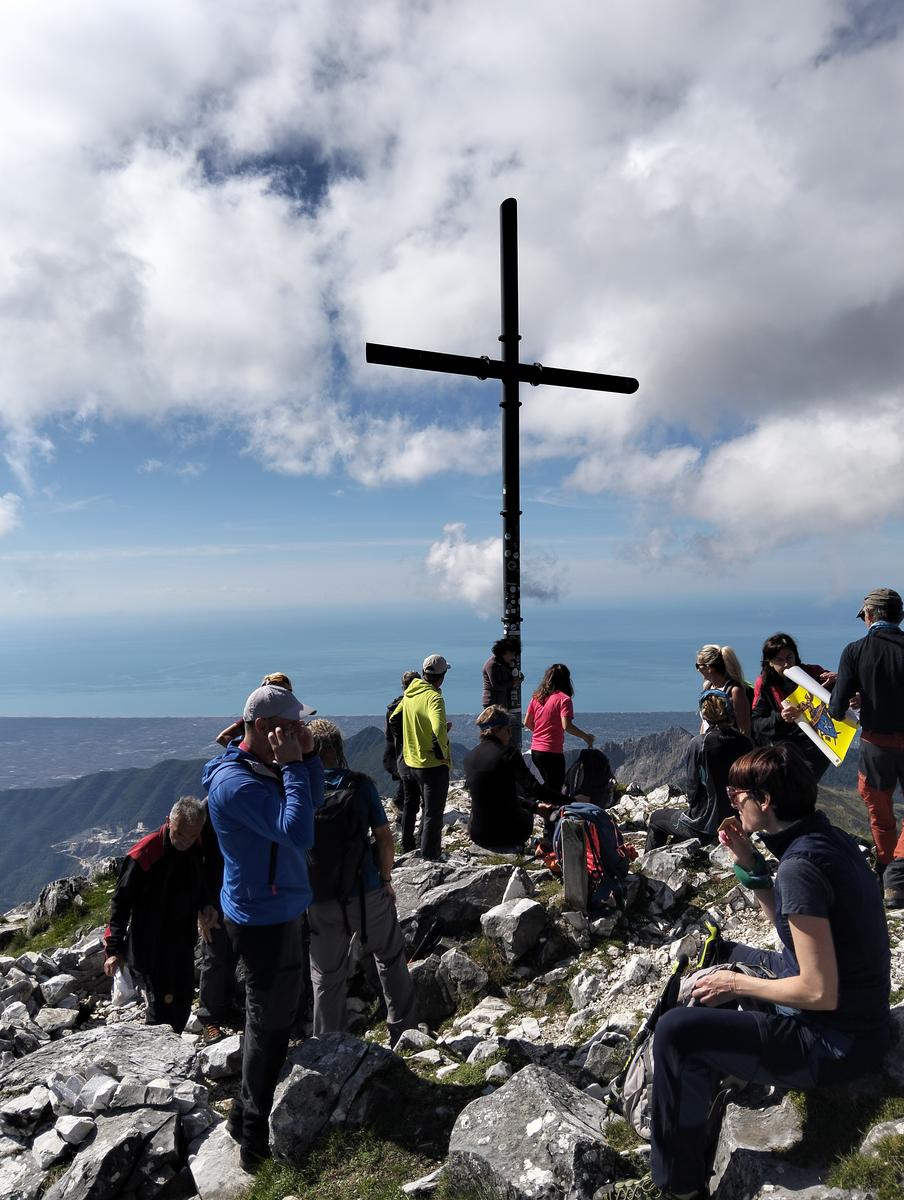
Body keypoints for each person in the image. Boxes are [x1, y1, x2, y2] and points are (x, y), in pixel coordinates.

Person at [636, 744, 891, 1200]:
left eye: (739, 793)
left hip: (837, 1042)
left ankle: (678, 1185)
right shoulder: (822, 840)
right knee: (723, 952)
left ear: (766, 801)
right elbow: (797, 940)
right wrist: (750, 862)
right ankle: (716, 1070)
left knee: (677, 1031)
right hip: (854, 1016)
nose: (731, 799)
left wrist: (734, 983)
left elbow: (818, 990)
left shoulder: (800, 867)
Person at [202, 680, 323, 1173]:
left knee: (270, 1020)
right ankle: (253, 1143)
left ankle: (239, 1118)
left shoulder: (263, 766)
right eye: (293, 725)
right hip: (262, 919)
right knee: (268, 1027)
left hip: (278, 908)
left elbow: (310, 803)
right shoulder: (238, 784)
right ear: (267, 729)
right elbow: (297, 832)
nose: (301, 728)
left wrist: (307, 759)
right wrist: (294, 765)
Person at [305, 719, 418, 1044]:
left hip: (319, 898)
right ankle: (405, 1035)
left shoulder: (298, 789)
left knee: (326, 977)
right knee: (390, 958)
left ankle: (328, 1046)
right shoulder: (360, 785)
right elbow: (384, 839)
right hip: (366, 891)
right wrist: (385, 879)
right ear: (336, 749)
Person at [103, 795, 210, 1035]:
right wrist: (113, 950)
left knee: (182, 1001)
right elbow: (121, 903)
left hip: (182, 940)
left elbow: (200, 882)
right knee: (161, 1006)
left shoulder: (196, 845)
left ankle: (172, 1051)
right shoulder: (145, 853)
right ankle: (157, 1060)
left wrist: (206, 906)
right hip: (149, 946)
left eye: (192, 835)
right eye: (180, 833)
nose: (185, 841)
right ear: (168, 822)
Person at [828, 587, 904, 905]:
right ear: (899, 617)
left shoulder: (855, 651)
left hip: (875, 747)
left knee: (879, 810)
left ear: (869, 616)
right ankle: (896, 876)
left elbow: (835, 708)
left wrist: (858, 693)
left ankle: (890, 876)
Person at [646, 691, 752, 850]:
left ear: (705, 715)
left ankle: (650, 862)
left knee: (656, 818)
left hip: (705, 824)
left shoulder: (699, 744)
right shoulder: (745, 742)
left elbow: (693, 788)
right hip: (739, 822)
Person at [464, 706, 563, 850]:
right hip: (511, 835)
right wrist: (568, 801)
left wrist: (535, 808)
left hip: (478, 835)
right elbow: (535, 789)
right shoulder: (509, 753)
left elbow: (496, 796)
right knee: (525, 794)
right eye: (508, 729)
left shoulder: (469, 757)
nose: (510, 734)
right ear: (497, 729)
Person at [750, 633, 836, 782]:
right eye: (779, 660)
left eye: (789, 658)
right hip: (785, 749)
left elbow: (840, 693)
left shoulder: (814, 673)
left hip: (817, 745)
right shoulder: (765, 684)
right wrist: (780, 717)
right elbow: (756, 722)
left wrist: (839, 680)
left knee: (805, 787)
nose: (786, 664)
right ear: (770, 662)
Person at [391, 655, 452, 860]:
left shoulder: (410, 692)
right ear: (441, 676)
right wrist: (442, 752)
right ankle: (430, 857)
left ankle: (410, 847)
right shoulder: (434, 697)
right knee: (432, 813)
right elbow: (437, 728)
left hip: (411, 761)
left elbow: (394, 718)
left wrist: (408, 741)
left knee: (413, 804)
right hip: (432, 765)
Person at [524, 663, 594, 794]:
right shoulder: (564, 699)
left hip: (536, 751)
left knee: (548, 785)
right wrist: (586, 737)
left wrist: (540, 733)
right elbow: (567, 726)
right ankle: (548, 812)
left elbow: (527, 722)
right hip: (552, 752)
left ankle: (540, 809)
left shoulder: (537, 698)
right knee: (556, 789)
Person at [383, 670, 422, 849]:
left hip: (396, 753)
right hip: (409, 755)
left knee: (407, 788)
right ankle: (410, 839)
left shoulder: (393, 706)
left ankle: (406, 836)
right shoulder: (412, 705)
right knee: (411, 795)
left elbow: (389, 734)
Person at [694, 645, 752, 738]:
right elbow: (704, 723)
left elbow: (744, 730)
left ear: (709, 667)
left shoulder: (735, 691)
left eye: (698, 666)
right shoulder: (707, 687)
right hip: (708, 747)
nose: (697, 670)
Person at [482, 637, 520, 709]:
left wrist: (518, 677)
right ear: (505, 652)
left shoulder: (503, 663)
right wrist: (512, 683)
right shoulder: (492, 665)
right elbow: (496, 685)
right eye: (512, 654)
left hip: (501, 701)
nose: (513, 657)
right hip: (492, 702)